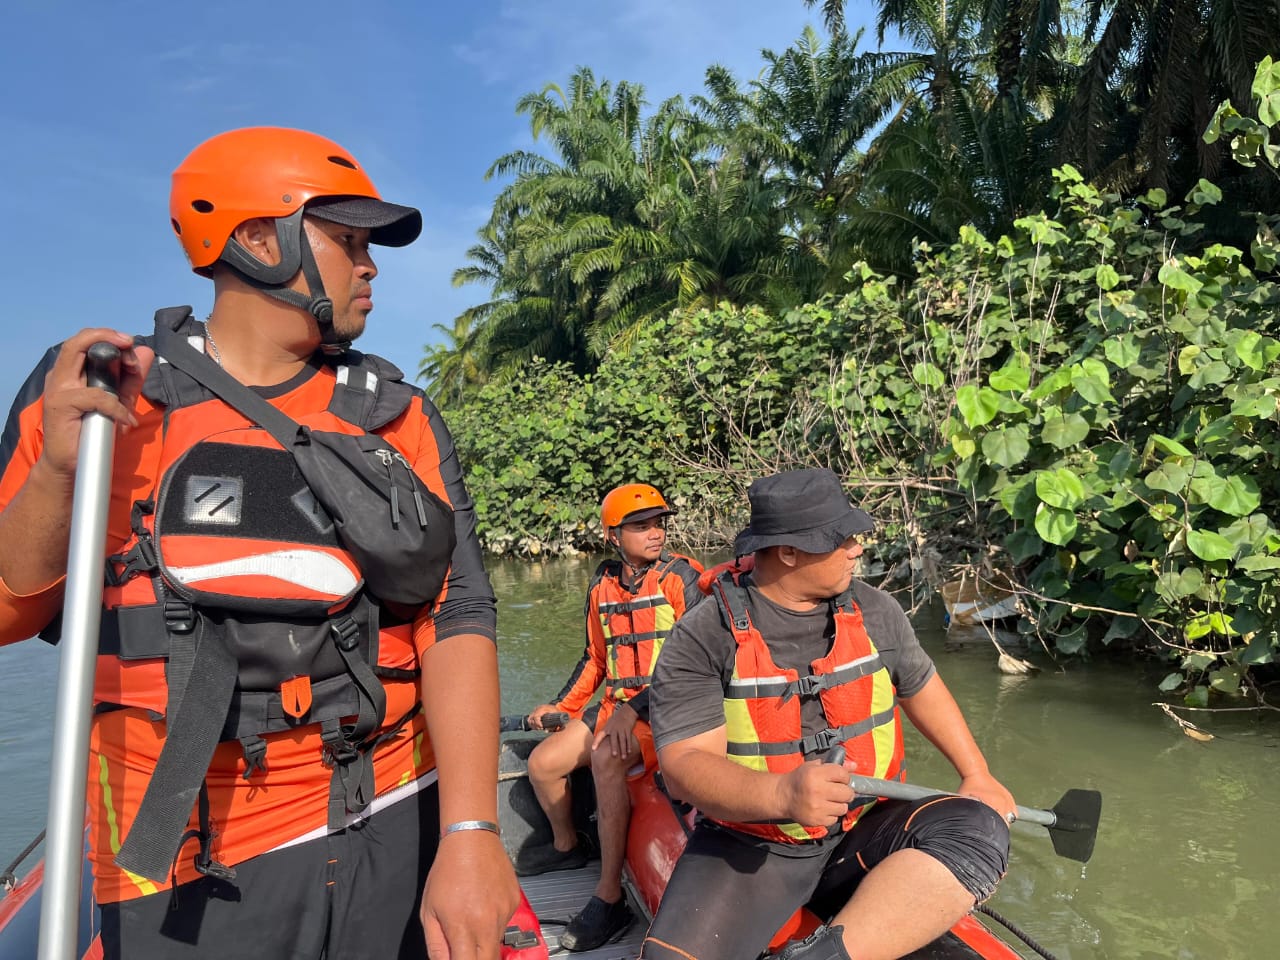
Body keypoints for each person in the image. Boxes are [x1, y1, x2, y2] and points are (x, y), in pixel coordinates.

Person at [0, 127, 519, 959]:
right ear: (255, 239)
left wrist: (469, 829)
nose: (371, 266)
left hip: (391, 809)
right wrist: (60, 470)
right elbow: (9, 611)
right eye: (348, 241)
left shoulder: (399, 414)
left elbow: (457, 613)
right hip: (175, 856)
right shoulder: (98, 400)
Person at [641, 468, 1016, 960]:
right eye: (840, 539)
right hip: (753, 845)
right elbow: (686, 765)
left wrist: (977, 773)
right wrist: (782, 792)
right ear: (788, 552)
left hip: (862, 831)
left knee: (980, 825)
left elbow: (921, 686)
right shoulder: (702, 634)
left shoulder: (876, 610)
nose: (857, 549)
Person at [520, 483, 703, 952]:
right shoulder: (602, 586)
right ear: (612, 535)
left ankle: (609, 896)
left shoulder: (681, 579)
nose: (655, 532)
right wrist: (560, 707)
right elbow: (595, 662)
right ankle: (567, 846)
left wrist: (634, 709)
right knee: (543, 764)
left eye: (658, 523)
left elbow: (697, 665)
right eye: (640, 526)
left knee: (604, 761)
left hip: (662, 711)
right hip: (613, 708)